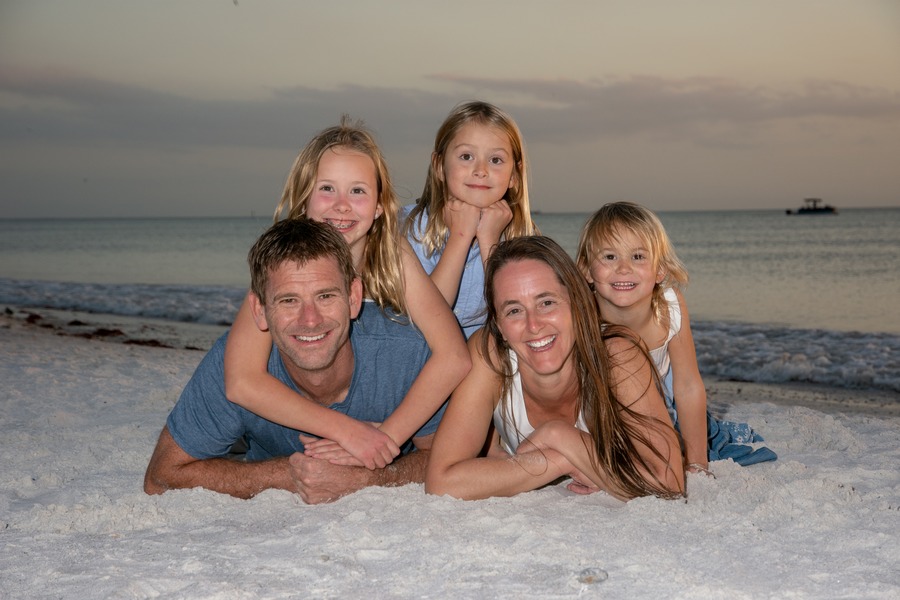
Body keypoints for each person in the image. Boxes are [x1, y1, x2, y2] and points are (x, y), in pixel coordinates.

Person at [223, 118, 470, 472]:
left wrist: (385, 438)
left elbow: (453, 357)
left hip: (387, 415)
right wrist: (349, 433)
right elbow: (241, 381)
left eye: (357, 191)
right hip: (304, 413)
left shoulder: (393, 257)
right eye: (327, 189)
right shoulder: (285, 263)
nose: (341, 205)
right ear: (303, 197)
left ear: (380, 205)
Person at [144, 219, 444, 502]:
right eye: (289, 300)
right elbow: (161, 477)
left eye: (325, 296)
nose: (310, 320)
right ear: (259, 310)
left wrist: (370, 478)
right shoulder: (234, 363)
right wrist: (289, 474)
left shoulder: (407, 352)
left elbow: (444, 456)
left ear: (354, 298)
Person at [424, 236, 685, 501]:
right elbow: (442, 482)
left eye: (546, 303)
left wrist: (560, 435)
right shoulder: (490, 354)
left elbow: (670, 483)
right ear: (500, 326)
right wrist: (561, 460)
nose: (534, 325)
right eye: (514, 310)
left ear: (578, 304)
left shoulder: (616, 354)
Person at [576, 202, 776, 469]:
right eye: (609, 257)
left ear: (660, 270)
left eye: (637, 257)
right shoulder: (580, 316)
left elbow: (688, 385)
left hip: (657, 407)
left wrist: (697, 463)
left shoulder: (668, 305)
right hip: (599, 414)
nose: (623, 268)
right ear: (587, 270)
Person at [403, 101, 537, 338]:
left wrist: (489, 242)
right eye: (466, 156)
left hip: (487, 348)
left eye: (495, 160)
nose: (481, 170)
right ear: (439, 166)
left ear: (514, 175)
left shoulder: (523, 236)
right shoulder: (410, 229)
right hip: (424, 345)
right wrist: (460, 236)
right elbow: (427, 320)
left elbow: (515, 317)